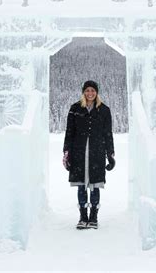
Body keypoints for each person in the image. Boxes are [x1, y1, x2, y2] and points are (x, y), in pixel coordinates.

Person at [62, 80, 115, 229]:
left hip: (97, 153)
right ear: (83, 92)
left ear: (96, 92)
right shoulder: (75, 108)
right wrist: (67, 152)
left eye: (92, 90)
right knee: (81, 186)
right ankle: (83, 216)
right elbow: (69, 132)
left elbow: (107, 133)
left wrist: (110, 154)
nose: (90, 93)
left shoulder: (104, 110)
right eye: (87, 91)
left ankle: (93, 218)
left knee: (95, 185)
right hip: (79, 152)